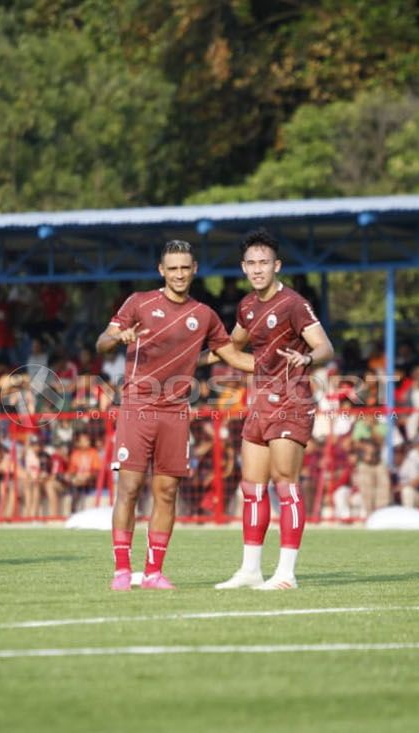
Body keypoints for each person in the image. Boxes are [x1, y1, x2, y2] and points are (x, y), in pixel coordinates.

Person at [96, 240, 252, 591]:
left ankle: (154, 572)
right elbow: (101, 343)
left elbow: (230, 355)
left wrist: (269, 366)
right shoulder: (139, 302)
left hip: (177, 411)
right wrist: (118, 337)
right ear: (161, 271)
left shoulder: (205, 315)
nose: (179, 274)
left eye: (185, 268)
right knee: (130, 488)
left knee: (166, 492)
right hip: (137, 405)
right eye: (173, 268)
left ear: (194, 269)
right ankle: (122, 570)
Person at [211, 228, 335, 591]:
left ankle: (286, 574)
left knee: (286, 484)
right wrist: (191, 357)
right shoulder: (247, 306)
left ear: (277, 265)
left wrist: (307, 357)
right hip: (260, 402)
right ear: (243, 267)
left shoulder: (293, 303)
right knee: (252, 487)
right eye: (250, 263)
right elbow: (231, 347)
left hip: (292, 401)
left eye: (264, 262)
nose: (257, 269)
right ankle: (251, 569)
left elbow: (325, 347)